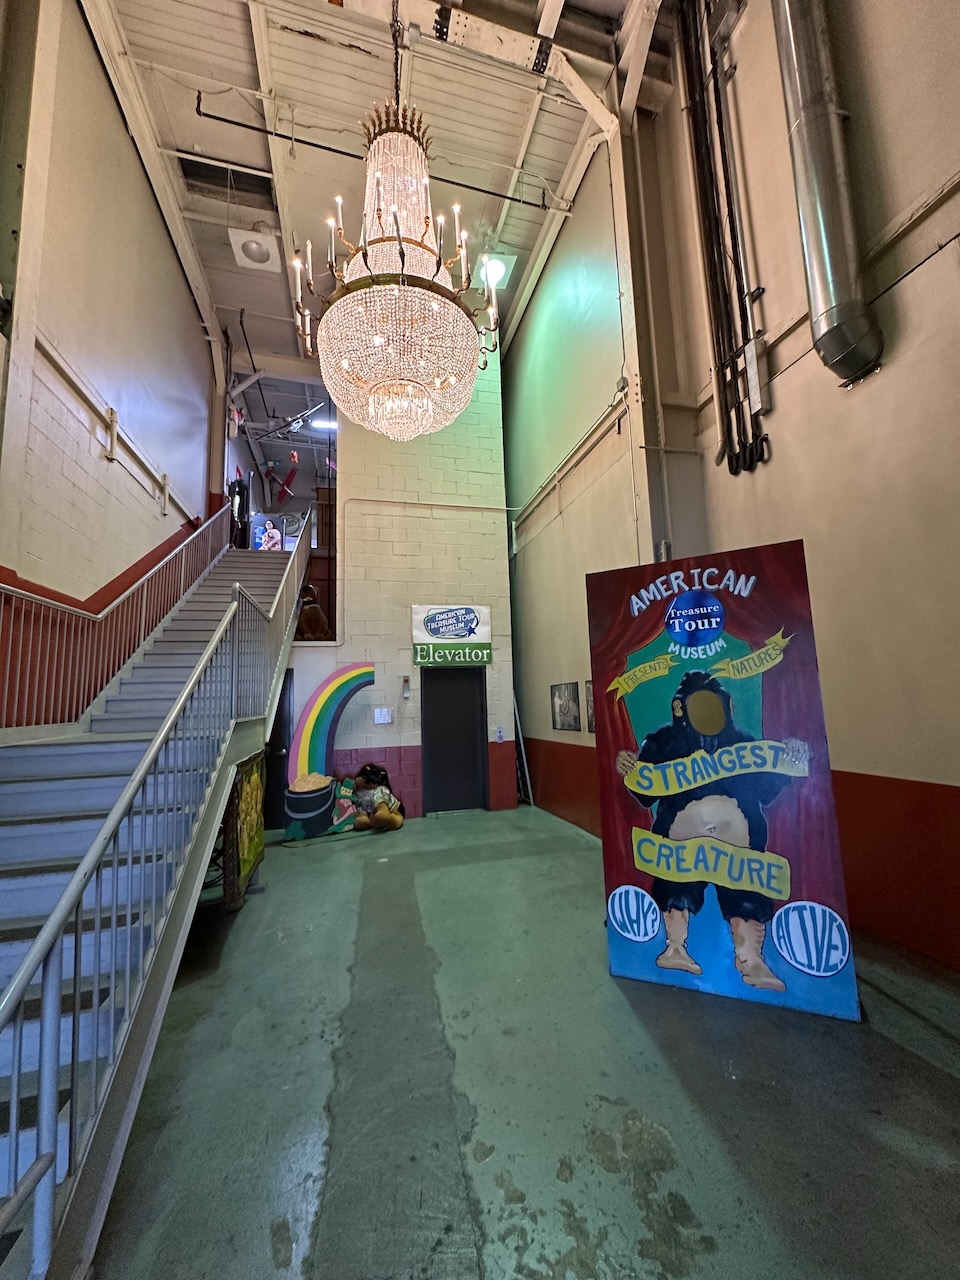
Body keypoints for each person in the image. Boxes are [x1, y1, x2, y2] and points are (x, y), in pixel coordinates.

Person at [353, 763, 404, 832]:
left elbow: (381, 801)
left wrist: (382, 810)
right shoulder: (360, 793)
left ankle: (393, 819)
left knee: (385, 813)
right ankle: (369, 821)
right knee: (364, 818)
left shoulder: (380, 789)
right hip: (372, 813)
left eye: (371, 782)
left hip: (392, 809)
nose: (369, 784)